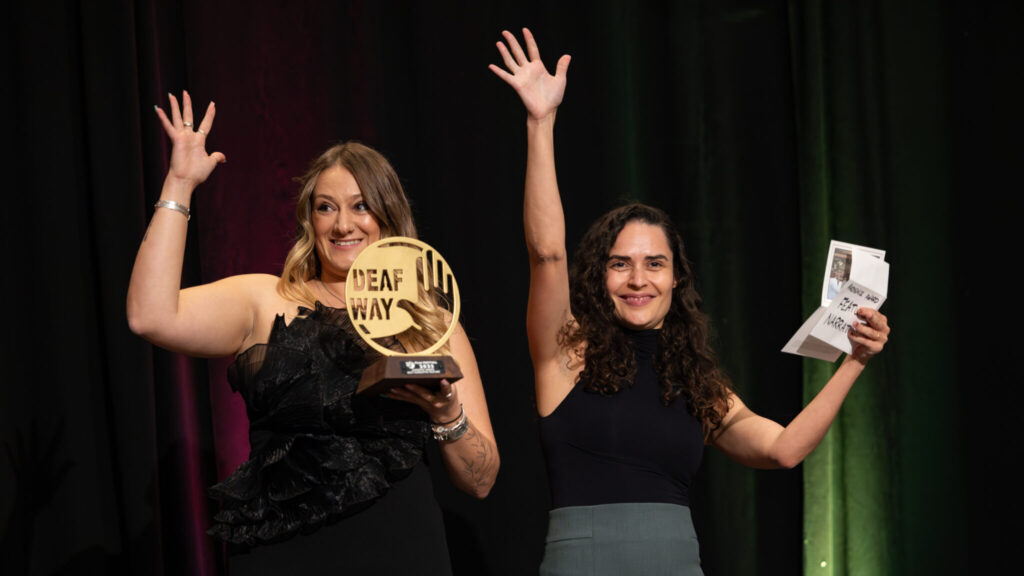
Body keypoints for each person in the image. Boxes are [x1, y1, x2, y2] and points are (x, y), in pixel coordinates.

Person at [489, 29, 890, 575]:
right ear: (599, 276)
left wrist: (856, 361)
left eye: (655, 264)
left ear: (677, 280)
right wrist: (541, 123)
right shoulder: (565, 352)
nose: (638, 279)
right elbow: (547, 254)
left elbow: (784, 449)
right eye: (619, 263)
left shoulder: (695, 384)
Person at [126, 92, 499, 575]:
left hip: (398, 547)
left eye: (361, 206)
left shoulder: (427, 320)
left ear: (388, 216)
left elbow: (482, 480)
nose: (343, 224)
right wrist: (180, 185)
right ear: (310, 219)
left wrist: (448, 415)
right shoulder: (266, 299)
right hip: (285, 549)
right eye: (326, 207)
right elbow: (149, 316)